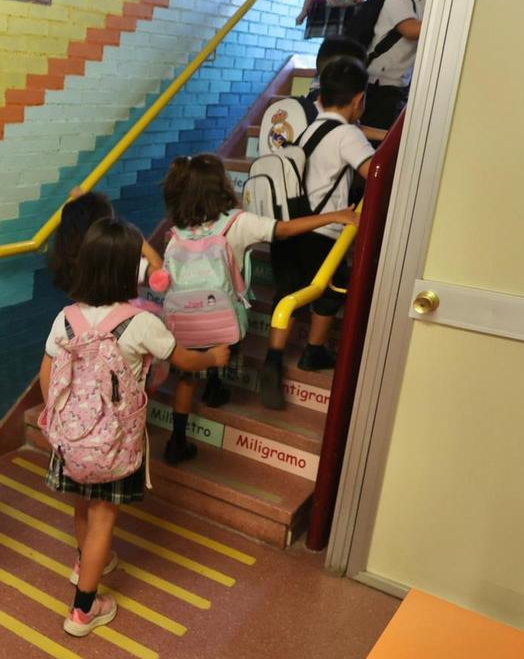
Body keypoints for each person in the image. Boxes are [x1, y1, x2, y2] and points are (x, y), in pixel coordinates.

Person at [41, 217, 228, 634]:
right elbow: (183, 360)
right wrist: (213, 358)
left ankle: (83, 561)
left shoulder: (66, 317)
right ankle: (83, 611)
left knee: (81, 506)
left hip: (71, 438)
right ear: (129, 270)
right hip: (114, 443)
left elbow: (48, 373)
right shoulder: (141, 323)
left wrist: (57, 424)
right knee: (104, 515)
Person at [160, 155, 357, 459]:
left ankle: (177, 440)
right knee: (224, 339)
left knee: (187, 376)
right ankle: (215, 384)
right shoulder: (238, 222)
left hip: (185, 321)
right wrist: (333, 217)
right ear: (220, 186)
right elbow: (285, 229)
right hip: (224, 320)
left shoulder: (177, 234)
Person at [261, 57, 375, 410]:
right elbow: (375, 173)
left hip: (292, 226)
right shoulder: (348, 134)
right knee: (328, 292)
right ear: (358, 100)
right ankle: (313, 351)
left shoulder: (308, 129)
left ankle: (273, 360)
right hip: (323, 231)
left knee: (288, 293)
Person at [362, 0, 434, 130]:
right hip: (378, 83)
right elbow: (411, 30)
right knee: (381, 133)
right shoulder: (396, 0)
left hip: (398, 84)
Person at [48, 190, 163, 296]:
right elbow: (157, 268)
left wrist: (82, 208)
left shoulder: (68, 258)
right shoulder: (119, 258)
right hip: (120, 314)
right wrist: (135, 235)